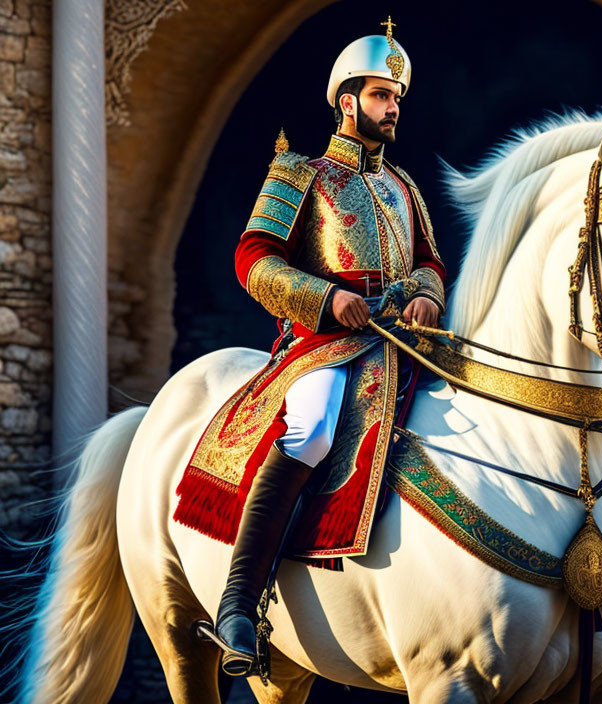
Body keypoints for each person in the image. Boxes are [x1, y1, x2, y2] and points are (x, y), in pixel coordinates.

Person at [210, 19, 447, 676]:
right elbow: (253, 257)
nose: (393, 106)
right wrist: (325, 300)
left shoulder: (404, 186)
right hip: (327, 344)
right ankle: (239, 601)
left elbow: (429, 260)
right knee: (312, 431)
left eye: (396, 96)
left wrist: (427, 293)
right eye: (380, 95)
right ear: (347, 100)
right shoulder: (299, 172)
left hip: (406, 342)